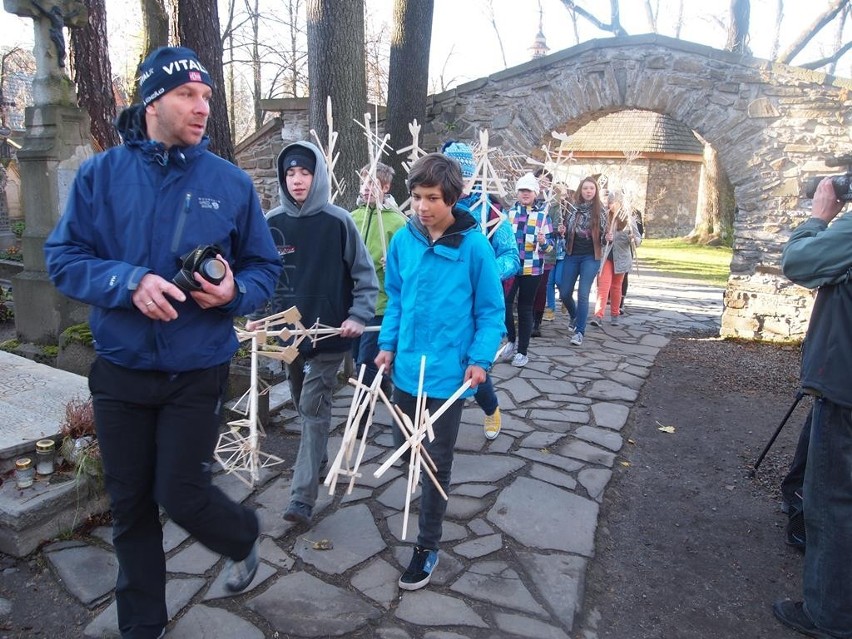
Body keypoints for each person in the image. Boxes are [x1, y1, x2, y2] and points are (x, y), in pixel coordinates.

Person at [43, 46, 282, 639]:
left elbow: (264, 270)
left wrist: (233, 296)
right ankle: (142, 628)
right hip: (120, 370)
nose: (204, 107)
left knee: (181, 493)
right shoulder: (101, 175)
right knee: (129, 511)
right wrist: (128, 282)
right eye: (188, 95)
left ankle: (241, 535)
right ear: (153, 100)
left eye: (207, 96)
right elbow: (64, 259)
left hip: (195, 370)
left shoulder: (228, 183)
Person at [375, 153, 504, 590]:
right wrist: (387, 345)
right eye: (416, 197)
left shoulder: (474, 246)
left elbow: (490, 312)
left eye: (432, 198)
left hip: (450, 377)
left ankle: (427, 547)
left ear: (452, 199)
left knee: (433, 464)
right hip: (407, 369)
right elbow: (395, 297)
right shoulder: (403, 242)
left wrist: (480, 359)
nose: (423, 207)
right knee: (404, 451)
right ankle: (488, 399)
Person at [258, 141, 378, 527]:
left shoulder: (339, 221)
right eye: (291, 173)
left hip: (330, 334)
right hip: (288, 337)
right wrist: (258, 315)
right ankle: (318, 454)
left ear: (318, 176)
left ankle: (301, 498)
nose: (297, 180)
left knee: (311, 406)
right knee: (302, 402)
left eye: (305, 172)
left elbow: (364, 278)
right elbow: (259, 276)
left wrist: (358, 315)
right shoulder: (271, 222)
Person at [773, 176, 852, 639]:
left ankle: (829, 615)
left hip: (844, 386)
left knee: (832, 502)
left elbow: (800, 262)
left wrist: (818, 218)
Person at [443, 140, 518, 439]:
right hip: (442, 300)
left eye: (464, 174)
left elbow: (511, 256)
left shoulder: (492, 213)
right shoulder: (434, 205)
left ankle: (490, 408)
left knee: (473, 364)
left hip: (477, 302)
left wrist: (485, 273)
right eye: (452, 172)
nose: (458, 181)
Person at [349, 161, 407, 401]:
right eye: (363, 182)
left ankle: (361, 415)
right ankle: (382, 386)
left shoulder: (397, 222)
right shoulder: (352, 217)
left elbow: (407, 264)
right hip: (353, 301)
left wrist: (392, 264)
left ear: (386, 186)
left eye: (372, 183)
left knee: (365, 361)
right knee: (357, 356)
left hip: (380, 302)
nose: (366, 187)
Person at [499, 172, 553, 367]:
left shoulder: (542, 216)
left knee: (525, 309)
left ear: (535, 193)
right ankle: (511, 340)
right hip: (511, 267)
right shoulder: (508, 214)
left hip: (532, 268)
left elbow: (550, 248)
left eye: (528, 190)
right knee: (504, 304)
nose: (524, 194)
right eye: (522, 190)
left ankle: (522, 351)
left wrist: (543, 241)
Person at [558, 176, 608, 346]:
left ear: (595, 192)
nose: (588, 191)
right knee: (564, 292)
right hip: (572, 254)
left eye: (591, 189)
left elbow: (604, 236)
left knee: (583, 293)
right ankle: (574, 315)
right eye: (586, 188)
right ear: (581, 190)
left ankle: (579, 331)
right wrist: (562, 231)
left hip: (590, 256)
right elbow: (565, 228)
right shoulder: (571, 208)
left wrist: (609, 237)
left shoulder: (600, 211)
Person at [591, 190, 642, 326]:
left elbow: (638, 240)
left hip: (622, 258)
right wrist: (605, 238)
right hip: (607, 255)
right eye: (609, 202)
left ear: (619, 203)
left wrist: (633, 238)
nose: (610, 205)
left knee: (616, 286)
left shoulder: (629, 219)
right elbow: (598, 237)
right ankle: (598, 315)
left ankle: (615, 314)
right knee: (603, 285)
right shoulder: (605, 216)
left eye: (613, 203)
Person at [620, 208, 644, 313]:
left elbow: (639, 231)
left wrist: (634, 238)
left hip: (625, 249)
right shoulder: (605, 209)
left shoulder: (633, 213)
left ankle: (620, 301)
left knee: (623, 275)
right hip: (610, 249)